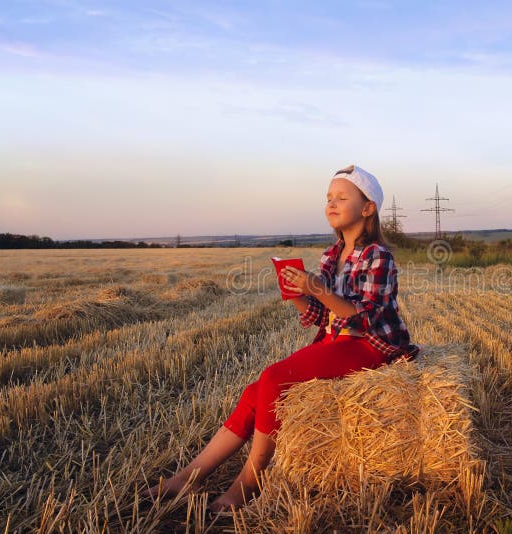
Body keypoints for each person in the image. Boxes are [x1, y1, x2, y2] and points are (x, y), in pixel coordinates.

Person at [146, 164, 419, 513]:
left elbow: (364, 318)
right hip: (337, 341)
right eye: (328, 198)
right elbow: (324, 315)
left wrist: (315, 287)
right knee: (255, 392)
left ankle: (250, 482)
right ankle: (190, 475)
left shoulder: (378, 256)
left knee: (275, 377)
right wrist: (297, 294)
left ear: (368, 209)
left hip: (370, 345)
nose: (331, 204)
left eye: (342, 197)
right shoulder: (332, 255)